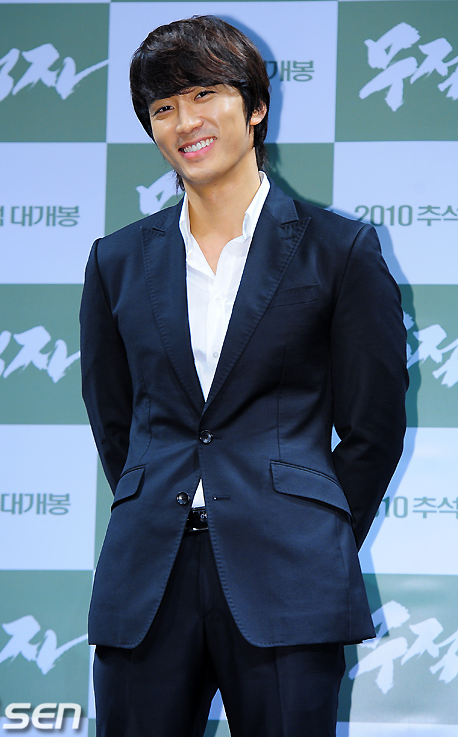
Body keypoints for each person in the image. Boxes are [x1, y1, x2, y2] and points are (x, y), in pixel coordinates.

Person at [80, 15, 408, 737]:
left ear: (255, 106)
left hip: (290, 575)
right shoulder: (117, 260)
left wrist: (310, 532)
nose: (184, 121)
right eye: (163, 107)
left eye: (204, 94)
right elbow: (115, 422)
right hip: (147, 579)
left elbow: (374, 429)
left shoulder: (340, 249)